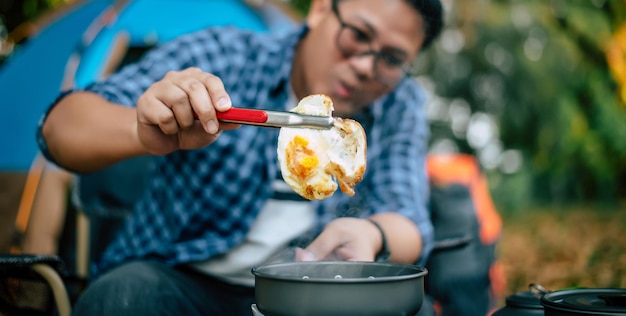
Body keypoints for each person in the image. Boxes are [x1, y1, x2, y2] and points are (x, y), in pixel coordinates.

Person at [36, 0, 444, 314]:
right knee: (123, 296)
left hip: (308, 292)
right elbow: (58, 130)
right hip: (182, 280)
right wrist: (140, 131)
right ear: (321, 9)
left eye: (391, 59)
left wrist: (371, 234)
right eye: (357, 34)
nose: (364, 67)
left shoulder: (399, 102)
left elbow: (409, 221)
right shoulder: (228, 54)